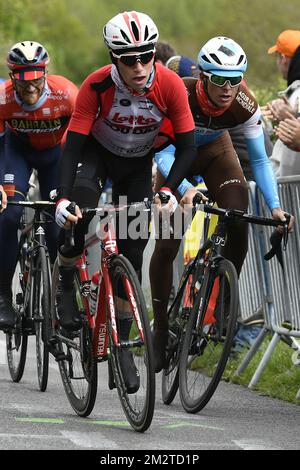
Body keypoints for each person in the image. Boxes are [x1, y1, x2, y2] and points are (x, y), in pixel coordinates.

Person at [54, 11, 197, 392]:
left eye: (145, 55)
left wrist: (169, 188)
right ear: (113, 57)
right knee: (79, 213)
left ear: (153, 53)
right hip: (97, 157)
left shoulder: (169, 85)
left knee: (132, 254)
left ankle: (122, 350)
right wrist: (63, 198)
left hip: (136, 167)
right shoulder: (96, 85)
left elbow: (187, 147)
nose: (138, 66)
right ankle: (67, 277)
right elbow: (73, 149)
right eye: (127, 58)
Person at [150, 36, 292, 372]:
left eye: (235, 79)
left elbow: (259, 160)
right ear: (203, 77)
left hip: (216, 154)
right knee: (168, 244)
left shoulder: (244, 103)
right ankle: (159, 329)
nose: (228, 88)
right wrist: (182, 188)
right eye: (219, 80)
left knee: (238, 217)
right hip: (175, 157)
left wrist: (273, 206)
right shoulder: (178, 93)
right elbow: (161, 152)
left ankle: (222, 304)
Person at [0, 41, 78, 330]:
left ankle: (59, 297)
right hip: (15, 154)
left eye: (36, 81)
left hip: (55, 156)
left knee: (60, 225)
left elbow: (79, 141)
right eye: (22, 84)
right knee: (8, 216)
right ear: (12, 78)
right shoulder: (3, 99)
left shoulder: (67, 93)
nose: (30, 90)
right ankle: (3, 296)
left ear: (45, 74)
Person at [262, 30, 300, 175]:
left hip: (290, 189)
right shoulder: (293, 93)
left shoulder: (297, 93)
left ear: (283, 58)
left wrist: (291, 117)